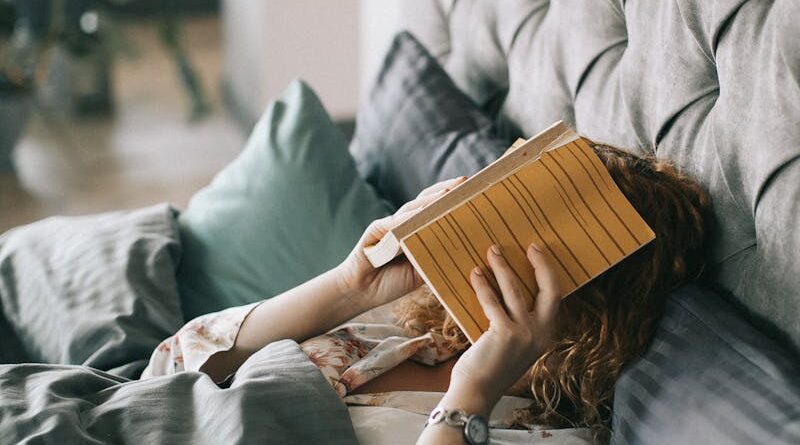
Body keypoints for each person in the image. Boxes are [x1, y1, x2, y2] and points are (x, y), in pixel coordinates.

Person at [143, 144, 713, 445]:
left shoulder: (550, 437)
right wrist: (348, 288)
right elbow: (172, 367)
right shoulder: (411, 336)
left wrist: (473, 392)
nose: (491, 250)